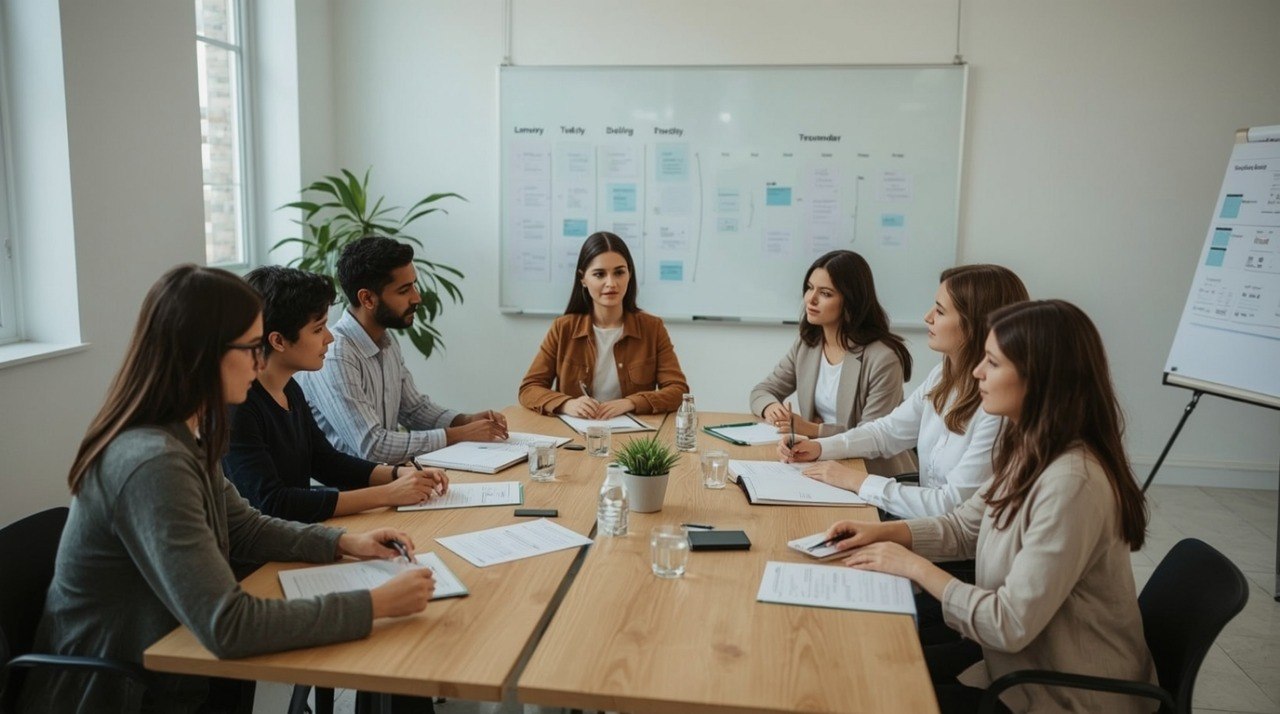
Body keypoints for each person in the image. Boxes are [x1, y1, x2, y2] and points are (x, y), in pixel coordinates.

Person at [21, 265, 437, 714]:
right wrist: (372, 604)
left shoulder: (183, 435)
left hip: (172, 663)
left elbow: (245, 526)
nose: (261, 364)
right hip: (123, 692)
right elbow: (228, 625)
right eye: (252, 348)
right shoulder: (152, 460)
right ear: (206, 355)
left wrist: (347, 543)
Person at [820, 300, 1155, 713]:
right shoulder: (1030, 448)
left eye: (992, 364)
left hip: (1062, 695)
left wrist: (912, 566)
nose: (977, 372)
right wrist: (885, 532)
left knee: (867, 695)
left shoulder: (1072, 484)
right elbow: (965, 527)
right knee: (861, 669)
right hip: (1010, 667)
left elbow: (1008, 624)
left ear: (1040, 379)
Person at [781, 264, 1029, 519]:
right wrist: (819, 448)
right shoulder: (942, 375)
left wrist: (857, 481)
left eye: (941, 312)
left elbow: (951, 506)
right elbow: (887, 431)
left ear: (974, 325)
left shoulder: (997, 409)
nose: (928, 317)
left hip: (946, 539)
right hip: (919, 518)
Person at [224, 266, 450, 524]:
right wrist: (387, 494)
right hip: (261, 556)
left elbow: (325, 461)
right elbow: (273, 502)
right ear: (278, 341)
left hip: (296, 535)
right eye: (318, 329)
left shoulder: (289, 388)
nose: (329, 338)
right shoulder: (239, 407)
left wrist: (398, 475)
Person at [298, 236, 508, 464]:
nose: (417, 297)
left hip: (389, 479)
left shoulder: (386, 340)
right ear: (367, 298)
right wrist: (459, 435)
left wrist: (464, 420)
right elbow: (372, 446)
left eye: (414, 285)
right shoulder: (336, 354)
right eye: (404, 290)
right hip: (350, 492)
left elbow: (413, 409)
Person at [750, 250, 915, 475]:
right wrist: (772, 408)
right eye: (810, 288)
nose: (811, 299)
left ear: (851, 301)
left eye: (825, 293)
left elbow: (871, 437)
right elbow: (762, 391)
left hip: (870, 472)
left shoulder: (883, 358)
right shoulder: (808, 345)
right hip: (819, 461)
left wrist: (813, 429)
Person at [518, 231, 689, 417]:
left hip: (633, 437)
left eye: (619, 272)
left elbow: (678, 391)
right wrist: (567, 404)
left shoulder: (652, 328)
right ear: (583, 279)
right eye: (599, 274)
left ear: (629, 274)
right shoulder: (563, 328)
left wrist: (630, 403)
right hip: (577, 435)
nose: (611, 283)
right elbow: (529, 389)